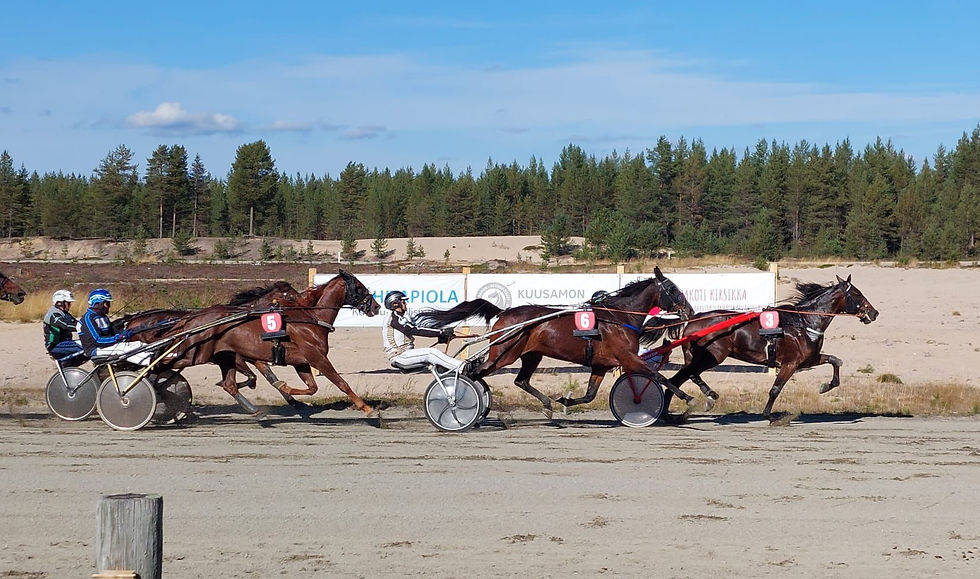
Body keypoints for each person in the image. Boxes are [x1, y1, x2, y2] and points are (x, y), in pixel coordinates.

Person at [382, 291, 465, 373]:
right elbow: (415, 330)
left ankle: (457, 370)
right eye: (403, 302)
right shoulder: (394, 318)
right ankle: (463, 367)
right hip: (400, 356)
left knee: (437, 358)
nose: (406, 304)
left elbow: (419, 328)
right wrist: (441, 332)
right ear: (395, 304)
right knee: (432, 353)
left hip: (405, 354)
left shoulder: (400, 317)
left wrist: (441, 336)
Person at [78, 288, 153, 365]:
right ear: (98, 303)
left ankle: (154, 357)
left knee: (139, 344)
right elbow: (98, 340)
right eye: (107, 303)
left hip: (108, 346)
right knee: (122, 349)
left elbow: (111, 333)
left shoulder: (103, 317)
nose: (109, 306)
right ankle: (151, 362)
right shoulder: (88, 319)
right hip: (95, 349)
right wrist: (119, 337)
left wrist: (127, 332)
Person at [43, 289, 84, 362]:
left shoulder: (65, 313)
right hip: (55, 346)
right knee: (85, 346)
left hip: (66, 343)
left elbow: (77, 323)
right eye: (68, 303)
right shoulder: (54, 314)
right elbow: (66, 325)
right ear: (60, 303)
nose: (70, 305)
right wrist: (85, 328)